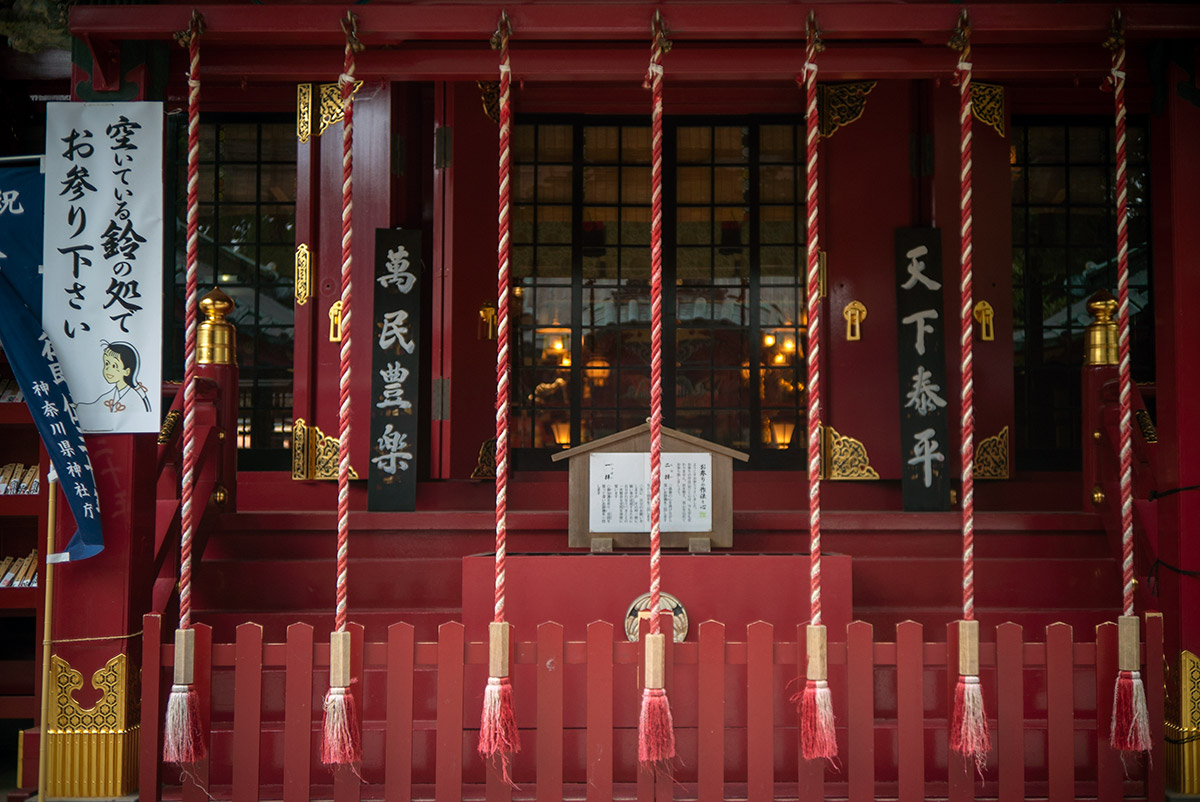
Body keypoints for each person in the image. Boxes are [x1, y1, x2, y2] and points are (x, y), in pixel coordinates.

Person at [79, 341, 151, 413]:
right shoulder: (110, 395)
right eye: (106, 364)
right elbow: (94, 405)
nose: (108, 369)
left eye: (114, 366)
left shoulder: (135, 398)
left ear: (127, 371)